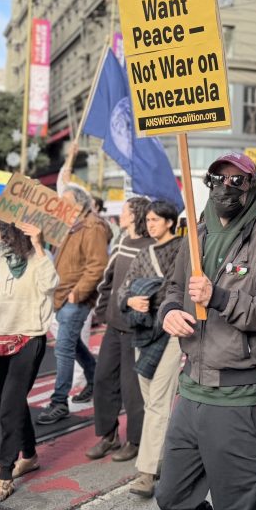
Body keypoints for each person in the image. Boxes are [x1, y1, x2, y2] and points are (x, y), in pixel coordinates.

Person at [156, 152, 256, 510]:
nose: (226, 188)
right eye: (218, 179)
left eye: (238, 181)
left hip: (238, 395)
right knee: (172, 497)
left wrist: (220, 297)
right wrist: (169, 313)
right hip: (192, 389)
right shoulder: (194, 237)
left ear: (252, 188)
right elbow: (172, 290)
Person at [0, 219, 57, 505]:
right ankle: (30, 455)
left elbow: (51, 284)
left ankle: (4, 474)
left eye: (5, 239)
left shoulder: (37, 258)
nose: (1, 245)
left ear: (18, 238)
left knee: (9, 406)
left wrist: (38, 243)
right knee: (11, 401)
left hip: (28, 338)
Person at [117, 199, 183, 498]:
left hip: (171, 331)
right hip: (143, 331)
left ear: (170, 221)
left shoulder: (184, 250)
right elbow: (125, 287)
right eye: (149, 220)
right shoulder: (144, 253)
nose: (151, 224)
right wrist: (131, 300)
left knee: (157, 402)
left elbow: (178, 288)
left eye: (156, 220)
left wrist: (156, 300)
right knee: (151, 400)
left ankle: (146, 473)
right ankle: (167, 456)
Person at [86, 197, 153, 461]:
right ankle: (109, 436)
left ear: (135, 216)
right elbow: (108, 279)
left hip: (136, 330)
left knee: (132, 387)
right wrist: (103, 311)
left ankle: (135, 441)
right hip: (114, 327)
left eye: (124, 211)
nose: (120, 215)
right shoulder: (122, 242)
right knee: (103, 379)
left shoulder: (150, 248)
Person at [37, 184, 110, 425]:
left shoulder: (92, 227)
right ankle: (95, 379)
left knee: (64, 348)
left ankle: (59, 402)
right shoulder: (71, 224)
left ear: (78, 204)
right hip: (64, 294)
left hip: (74, 297)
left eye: (64, 201)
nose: (60, 205)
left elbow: (96, 266)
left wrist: (77, 294)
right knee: (73, 345)